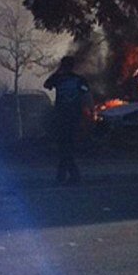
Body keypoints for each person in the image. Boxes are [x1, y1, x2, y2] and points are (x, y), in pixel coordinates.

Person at [44, 56, 90, 185]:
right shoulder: (78, 80)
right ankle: (64, 177)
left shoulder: (60, 79)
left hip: (64, 118)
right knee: (65, 148)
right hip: (72, 118)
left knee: (64, 148)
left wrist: (58, 72)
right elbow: (86, 94)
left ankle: (70, 176)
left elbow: (47, 84)